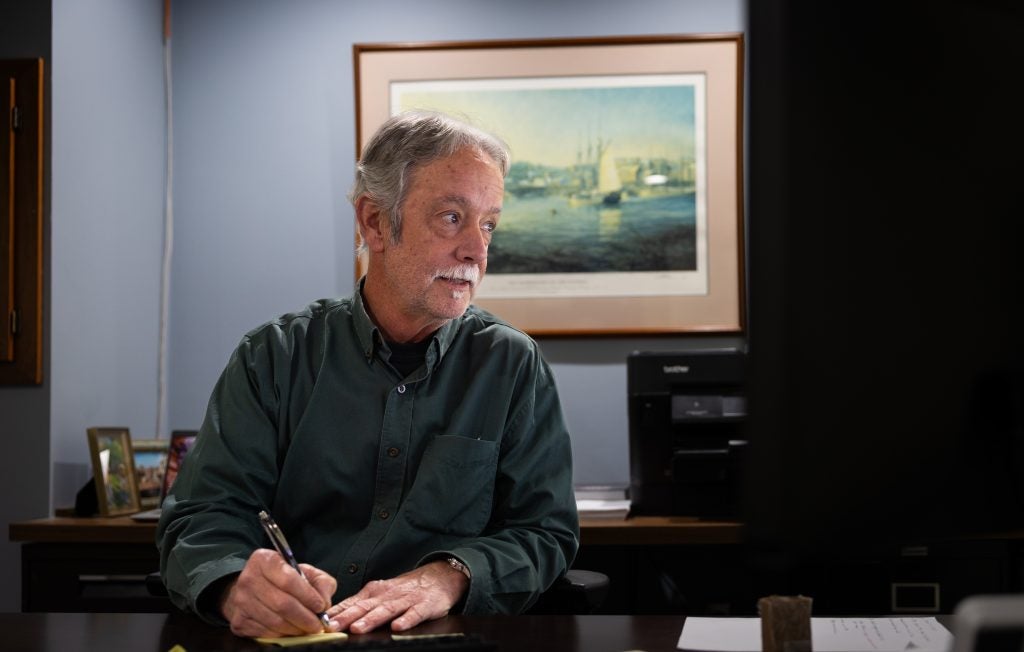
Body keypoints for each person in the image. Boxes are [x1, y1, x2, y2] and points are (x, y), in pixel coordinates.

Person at [156, 110, 580, 638]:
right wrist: (232, 585)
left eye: (488, 223)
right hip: (298, 640)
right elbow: (202, 518)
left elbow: (544, 532)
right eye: (452, 217)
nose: (477, 249)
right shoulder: (274, 356)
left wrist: (447, 577)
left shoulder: (512, 364)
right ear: (375, 222)